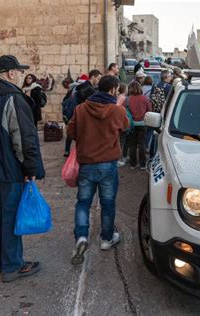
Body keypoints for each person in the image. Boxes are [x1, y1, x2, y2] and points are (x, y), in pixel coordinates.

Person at [67, 75, 129, 265]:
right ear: (112, 90)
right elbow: (126, 127)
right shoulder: (116, 111)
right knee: (107, 202)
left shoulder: (81, 108)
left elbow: (70, 132)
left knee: (83, 202)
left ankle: (81, 237)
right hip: (107, 164)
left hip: (86, 163)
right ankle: (106, 239)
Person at [0, 55, 45, 282]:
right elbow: (23, 140)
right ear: (10, 73)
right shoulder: (12, 98)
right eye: (17, 71)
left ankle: (3, 262)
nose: (18, 75)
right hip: (8, 171)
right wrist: (31, 168)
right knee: (8, 218)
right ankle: (11, 266)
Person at [126, 81, 151, 170]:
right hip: (143, 123)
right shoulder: (144, 98)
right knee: (142, 144)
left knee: (132, 144)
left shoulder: (128, 99)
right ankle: (143, 164)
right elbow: (149, 110)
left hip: (131, 124)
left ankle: (133, 164)